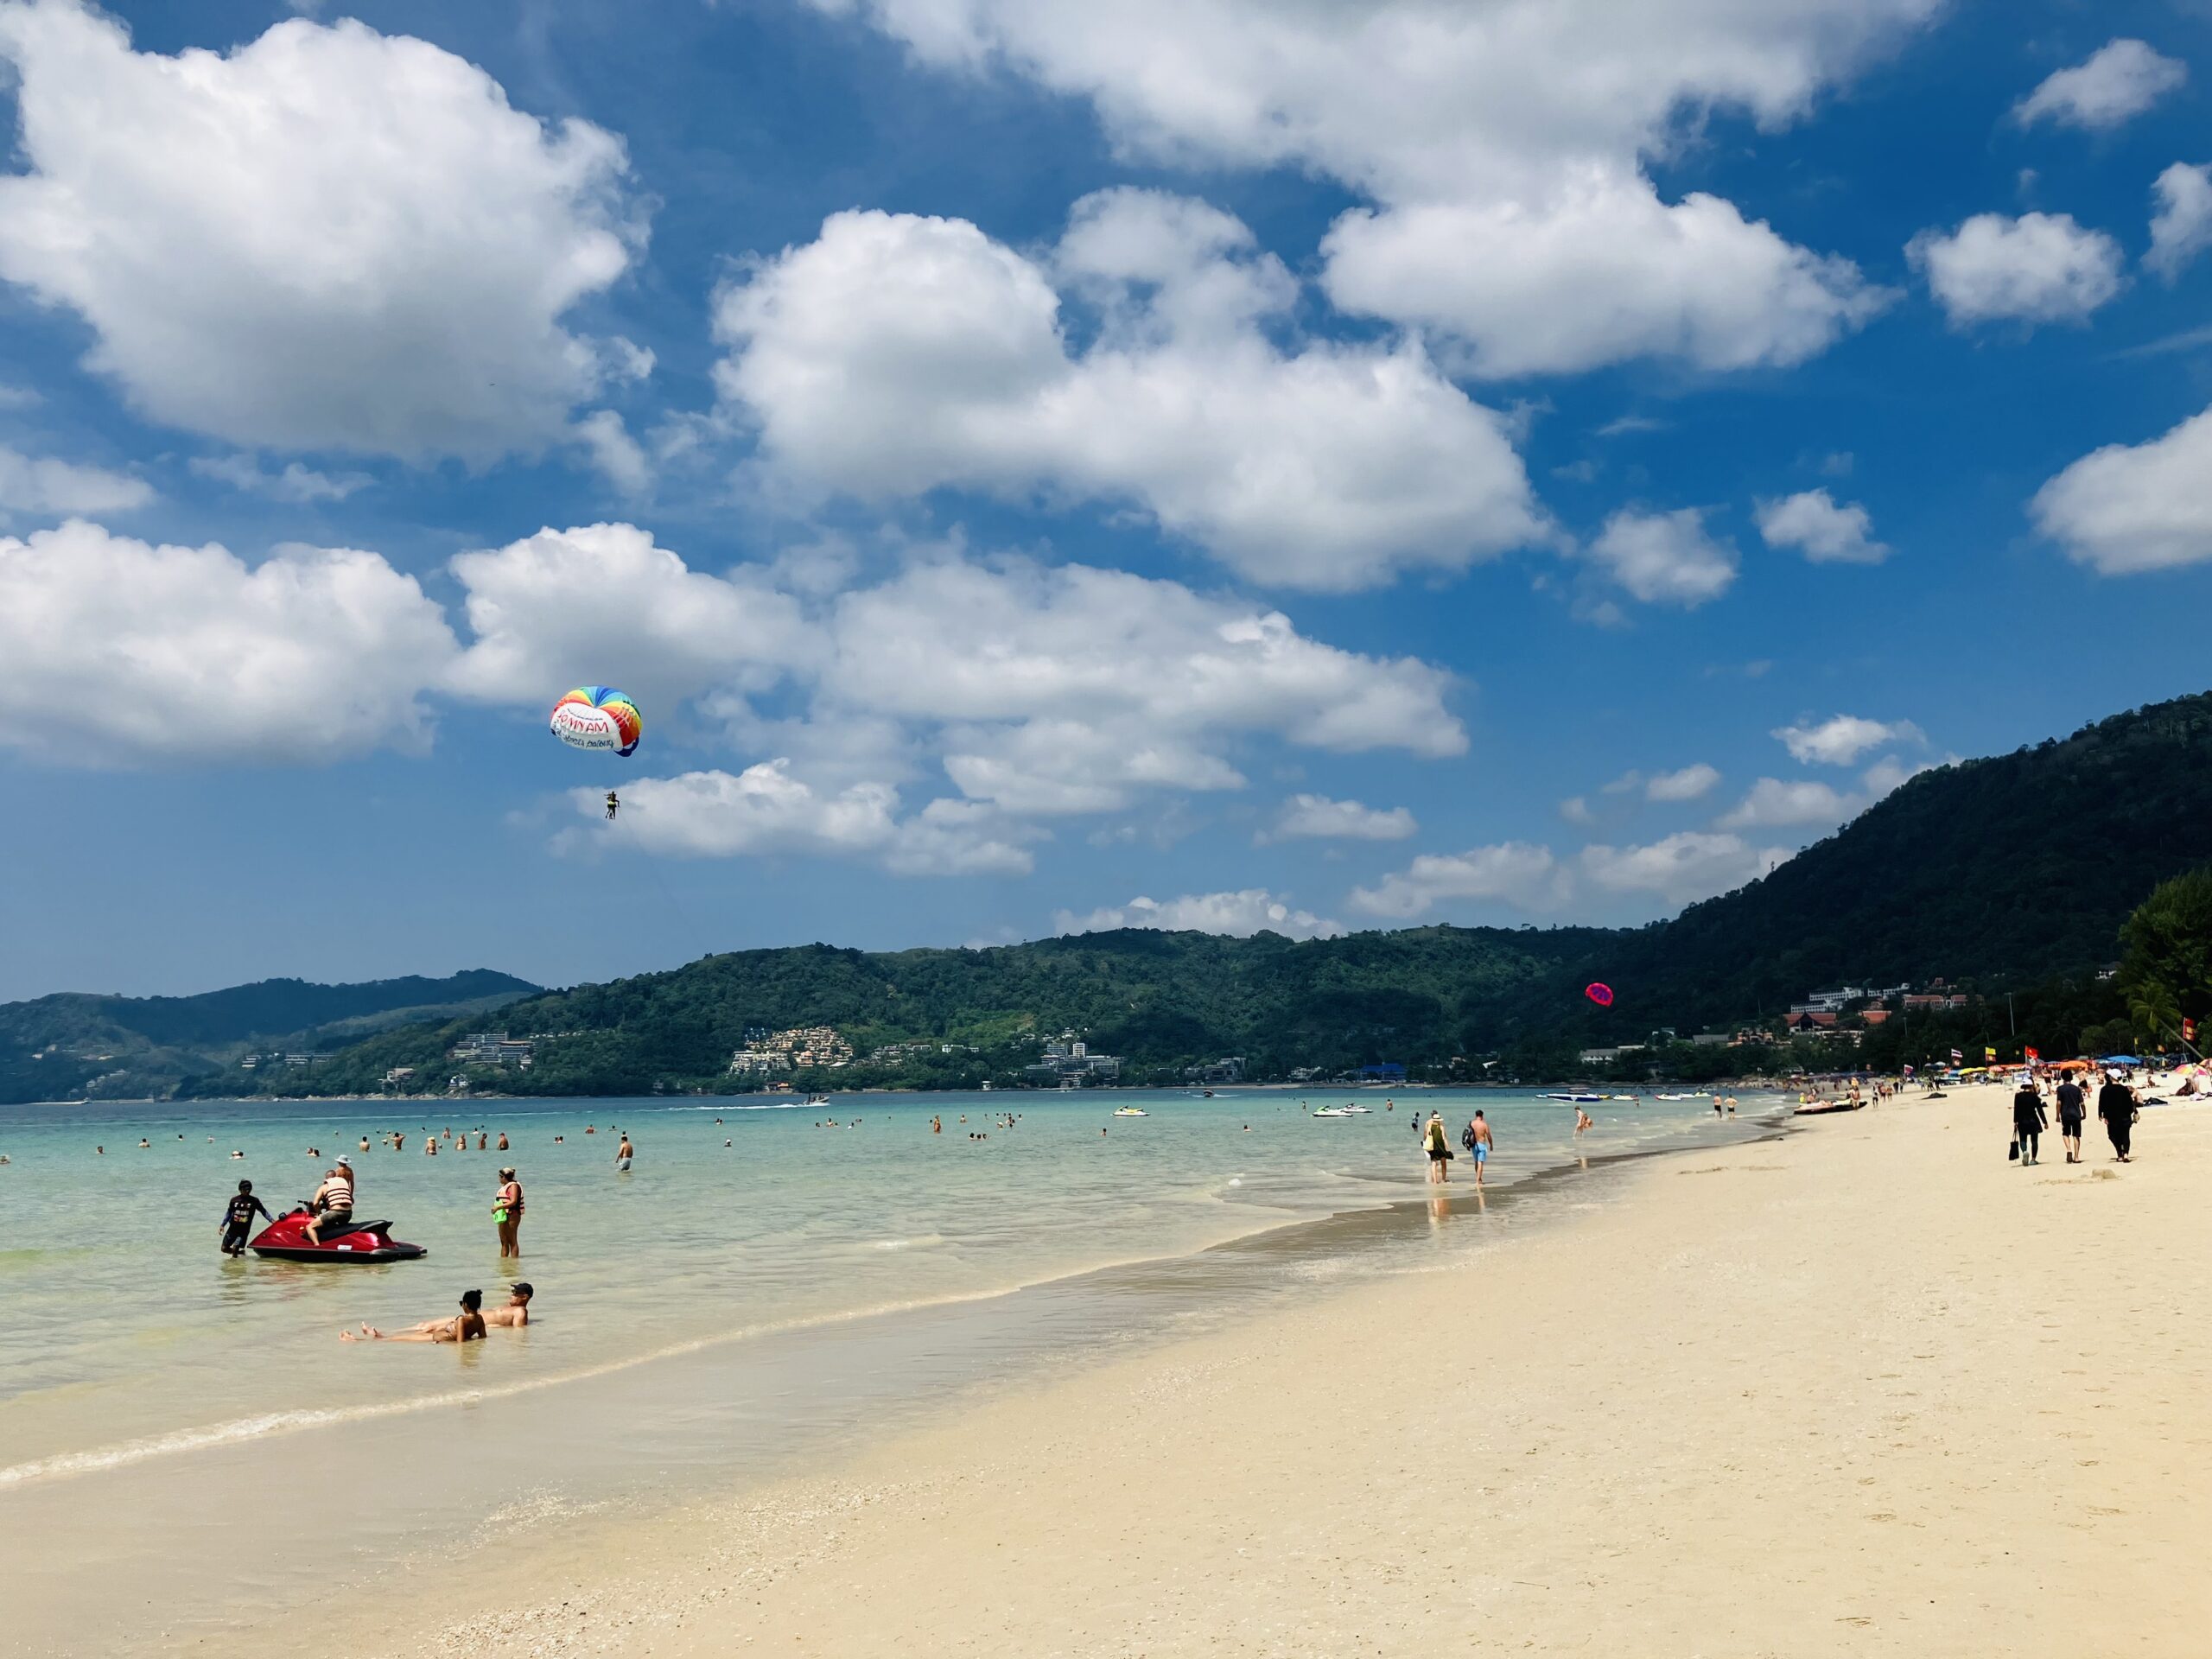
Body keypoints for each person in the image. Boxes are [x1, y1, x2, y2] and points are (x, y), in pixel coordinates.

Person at [342, 1289, 487, 1344]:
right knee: (398, 1337)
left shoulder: (461, 1320)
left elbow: (460, 1343)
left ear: (466, 1305)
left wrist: (442, 1342)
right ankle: (374, 1334)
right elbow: (482, 1338)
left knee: (394, 1339)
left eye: (461, 1303)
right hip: (438, 1336)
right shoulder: (479, 1319)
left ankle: (355, 1340)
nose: (461, 1306)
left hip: (436, 1338)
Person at [219, 1179, 272, 1255]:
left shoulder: (254, 1201)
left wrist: (271, 1220)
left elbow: (263, 1211)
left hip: (244, 1230)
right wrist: (223, 1225)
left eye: (249, 1189)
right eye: (245, 1189)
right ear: (240, 1189)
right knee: (224, 1249)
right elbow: (229, 1213)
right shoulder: (234, 1200)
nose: (247, 1191)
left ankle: (235, 1262)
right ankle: (241, 1253)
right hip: (232, 1229)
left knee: (235, 1248)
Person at [304, 1164, 354, 1244]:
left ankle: (317, 1246)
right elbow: (349, 1200)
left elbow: (316, 1203)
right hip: (348, 1214)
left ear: (326, 1179)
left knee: (309, 1227)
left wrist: (319, 1214)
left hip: (336, 1213)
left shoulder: (324, 1187)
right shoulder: (343, 1185)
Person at [2097, 1072, 2137, 1162]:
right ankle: (2125, 1154)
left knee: (2113, 1135)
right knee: (2125, 1135)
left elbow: (2101, 1103)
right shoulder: (2124, 1089)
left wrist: (2100, 1114)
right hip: (2125, 1115)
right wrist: (2133, 1112)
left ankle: (2120, 1154)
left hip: (2111, 1116)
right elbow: (2130, 1103)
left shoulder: (2105, 1089)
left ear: (2111, 1078)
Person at [2012, 1077, 2046, 1166]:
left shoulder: (2018, 1096)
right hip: (2033, 1120)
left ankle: (2024, 1151)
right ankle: (2033, 1159)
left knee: (2023, 1139)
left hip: (2021, 1120)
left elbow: (2016, 1109)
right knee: (2034, 1140)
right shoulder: (2035, 1097)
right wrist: (2045, 1122)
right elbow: (2040, 1110)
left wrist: (2015, 1121)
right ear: (2031, 1086)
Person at [2054, 1075, 2087, 1163]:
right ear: (2071, 1078)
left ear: (2063, 1078)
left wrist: (2057, 1115)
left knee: (2065, 1133)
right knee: (2076, 1135)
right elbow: (2082, 1103)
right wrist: (2084, 1114)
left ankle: (2069, 1149)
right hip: (2076, 1114)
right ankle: (2076, 1157)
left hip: (2065, 1114)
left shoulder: (2060, 1089)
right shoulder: (2077, 1089)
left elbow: (2059, 1103)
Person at [494, 1167, 524, 1257]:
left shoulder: (513, 1185)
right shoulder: (505, 1186)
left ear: (504, 1177)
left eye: (500, 1176)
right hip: (503, 1215)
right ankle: (505, 1263)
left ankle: (514, 1263)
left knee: (512, 1241)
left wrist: (498, 1207)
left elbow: (513, 1201)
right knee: (504, 1241)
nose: (499, 1178)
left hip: (512, 1215)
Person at [1423, 1111, 1451, 1183]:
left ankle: (1435, 1181)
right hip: (1440, 1146)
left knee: (1434, 1163)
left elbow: (1426, 1135)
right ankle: (1443, 1179)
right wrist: (1448, 1147)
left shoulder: (1429, 1125)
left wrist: (1425, 1143)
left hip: (1432, 1146)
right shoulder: (1441, 1126)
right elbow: (1444, 1137)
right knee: (1443, 1162)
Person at [1470, 1110, 1494, 1187]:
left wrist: (1468, 1145)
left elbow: (1468, 1134)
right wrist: (1491, 1144)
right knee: (1480, 1163)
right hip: (1481, 1144)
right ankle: (1478, 1181)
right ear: (1482, 1116)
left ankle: (1479, 1178)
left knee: (1476, 1162)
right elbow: (1489, 1136)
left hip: (1474, 1145)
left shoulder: (1471, 1123)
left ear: (1476, 1115)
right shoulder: (1484, 1124)